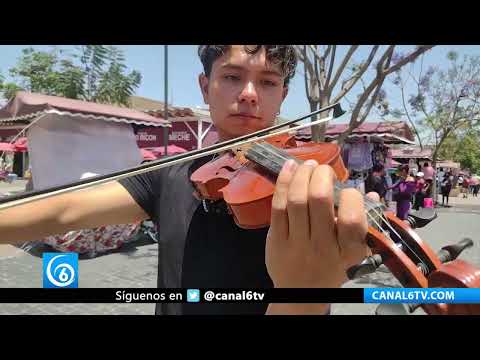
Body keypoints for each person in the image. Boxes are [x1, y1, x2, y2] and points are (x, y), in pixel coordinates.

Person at [0, 45, 373, 315]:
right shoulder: (174, 174)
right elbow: (66, 209)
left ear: (283, 96)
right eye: (231, 76)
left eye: (268, 82)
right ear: (204, 85)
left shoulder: (305, 188)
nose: (248, 95)